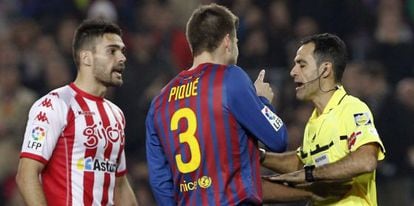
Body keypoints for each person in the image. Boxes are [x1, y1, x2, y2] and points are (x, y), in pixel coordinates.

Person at [144, 3, 306, 205]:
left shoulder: (160, 101)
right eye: (237, 40)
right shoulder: (230, 79)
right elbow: (278, 139)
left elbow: (160, 182)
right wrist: (262, 100)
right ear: (228, 41)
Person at [16, 19, 138, 206]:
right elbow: (26, 175)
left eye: (122, 51)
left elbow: (120, 185)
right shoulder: (55, 104)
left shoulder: (116, 115)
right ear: (86, 58)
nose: (122, 58)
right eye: (112, 51)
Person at [261, 33, 386, 205]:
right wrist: (259, 156)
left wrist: (310, 174)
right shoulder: (314, 121)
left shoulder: (350, 108)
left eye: (302, 65)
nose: (293, 72)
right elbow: (302, 163)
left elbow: (366, 160)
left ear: (325, 69)